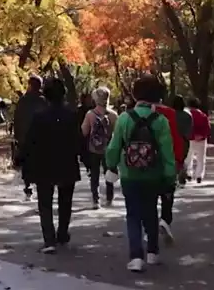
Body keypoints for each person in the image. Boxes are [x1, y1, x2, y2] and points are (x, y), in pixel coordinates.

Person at [105, 75, 175, 273]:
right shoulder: (161, 121)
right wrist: (170, 177)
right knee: (151, 212)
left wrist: (111, 166)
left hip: (130, 174)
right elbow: (167, 152)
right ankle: (153, 252)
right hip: (154, 175)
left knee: (133, 215)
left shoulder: (125, 119)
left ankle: (136, 257)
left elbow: (113, 147)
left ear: (135, 95)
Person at [19, 77, 83, 253]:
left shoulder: (39, 117)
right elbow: (78, 140)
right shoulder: (71, 116)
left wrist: (21, 159)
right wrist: (84, 157)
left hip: (44, 164)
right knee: (65, 201)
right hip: (67, 163)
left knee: (45, 203)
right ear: (63, 94)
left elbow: (29, 141)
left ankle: (49, 240)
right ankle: (62, 233)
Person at [149, 86, 187, 243]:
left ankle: (149, 228)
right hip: (167, 159)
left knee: (149, 196)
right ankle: (165, 220)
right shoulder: (170, 113)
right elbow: (176, 139)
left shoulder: (135, 113)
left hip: (145, 160)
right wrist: (179, 159)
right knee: (167, 193)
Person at [80, 85, 118, 207]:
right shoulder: (113, 115)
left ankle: (95, 200)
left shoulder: (90, 114)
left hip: (94, 148)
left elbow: (84, 131)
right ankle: (109, 197)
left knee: (94, 175)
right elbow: (117, 133)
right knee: (109, 172)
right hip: (109, 148)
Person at [12, 75, 46, 198]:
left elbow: (17, 119)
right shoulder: (44, 101)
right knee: (41, 162)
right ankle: (40, 185)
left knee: (27, 163)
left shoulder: (24, 101)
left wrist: (17, 135)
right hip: (41, 138)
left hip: (26, 137)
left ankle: (28, 186)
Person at [168, 96, 193, 186]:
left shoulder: (169, 114)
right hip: (183, 140)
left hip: (171, 139)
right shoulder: (187, 116)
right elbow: (189, 130)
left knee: (172, 158)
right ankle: (181, 173)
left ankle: (174, 176)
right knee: (181, 159)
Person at [185, 98, 211, 182]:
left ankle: (189, 173)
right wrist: (202, 135)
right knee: (201, 158)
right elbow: (207, 128)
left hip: (190, 139)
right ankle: (199, 175)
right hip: (201, 139)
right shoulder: (203, 115)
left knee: (189, 157)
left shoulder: (188, 114)